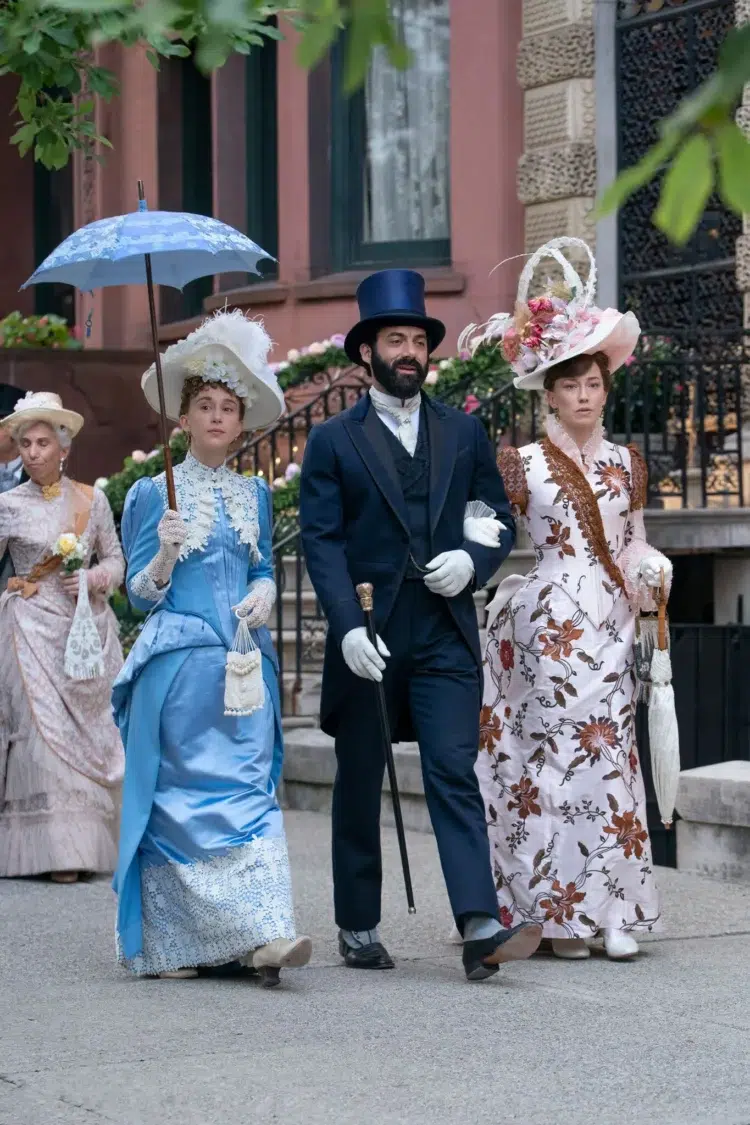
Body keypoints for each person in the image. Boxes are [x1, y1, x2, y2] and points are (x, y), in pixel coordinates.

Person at [299, 268, 543, 982]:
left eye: (416, 339)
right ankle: (357, 921)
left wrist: (473, 562)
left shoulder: (464, 430)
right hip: (369, 631)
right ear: (366, 353)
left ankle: (478, 922)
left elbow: (495, 516)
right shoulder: (333, 442)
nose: (408, 350)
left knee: (451, 767)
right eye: (393, 339)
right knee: (359, 774)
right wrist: (345, 624)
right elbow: (322, 540)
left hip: (443, 629)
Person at [459, 237, 671, 961]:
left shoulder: (625, 462)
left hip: (611, 623)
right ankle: (554, 912)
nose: (585, 395)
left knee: (611, 763)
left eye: (594, 383)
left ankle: (612, 911)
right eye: (571, 383)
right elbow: (488, 530)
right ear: (547, 391)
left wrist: (651, 566)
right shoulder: (520, 463)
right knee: (551, 766)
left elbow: (633, 540)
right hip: (545, 625)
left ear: (607, 389)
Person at [113, 310, 312, 985]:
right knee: (182, 799)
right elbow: (139, 595)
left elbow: (258, 566)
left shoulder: (255, 494)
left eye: (229, 407)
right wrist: (164, 553)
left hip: (241, 666)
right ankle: (178, 942)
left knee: (251, 787)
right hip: (178, 669)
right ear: (186, 418)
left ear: (241, 418)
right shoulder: (151, 492)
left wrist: (265, 593)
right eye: (206, 405)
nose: (219, 417)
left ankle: (263, 931)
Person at [0, 391, 125, 882]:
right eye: (25, 443)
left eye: (42, 443)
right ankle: (49, 850)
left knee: (82, 731)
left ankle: (83, 845)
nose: (33, 452)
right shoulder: (6, 504)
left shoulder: (92, 501)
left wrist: (93, 579)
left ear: (64, 448)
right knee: (38, 734)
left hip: (82, 630)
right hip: (28, 627)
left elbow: (115, 561)